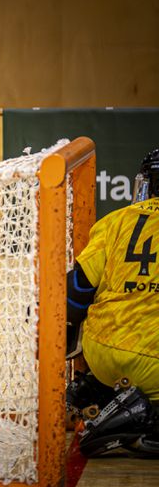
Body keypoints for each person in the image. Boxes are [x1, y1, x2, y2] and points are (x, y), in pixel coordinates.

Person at [66, 148, 159, 457]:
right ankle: (141, 418)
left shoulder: (116, 221)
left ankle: (100, 393)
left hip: (102, 351)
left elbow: (77, 289)